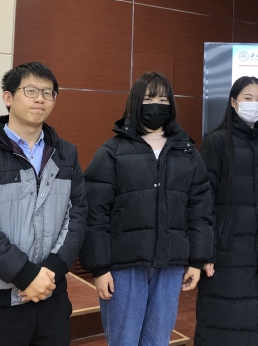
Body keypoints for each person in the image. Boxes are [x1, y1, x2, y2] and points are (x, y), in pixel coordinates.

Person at [0, 61, 87, 346]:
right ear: (8, 97)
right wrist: (26, 275)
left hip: (52, 294)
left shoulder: (66, 154)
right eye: (31, 91)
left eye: (48, 93)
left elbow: (77, 215)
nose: (40, 98)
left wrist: (52, 269)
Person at [79, 72, 213, 346]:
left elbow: (200, 210)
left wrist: (197, 260)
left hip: (170, 265)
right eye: (150, 98)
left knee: (157, 340)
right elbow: (94, 214)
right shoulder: (112, 151)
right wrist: (99, 268)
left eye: (163, 99)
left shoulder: (187, 152)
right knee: (124, 341)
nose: (157, 105)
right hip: (124, 266)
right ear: (135, 101)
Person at [194, 76, 258, 346]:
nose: (255, 104)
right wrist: (204, 252)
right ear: (234, 103)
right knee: (226, 321)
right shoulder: (216, 142)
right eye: (248, 98)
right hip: (226, 252)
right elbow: (202, 200)